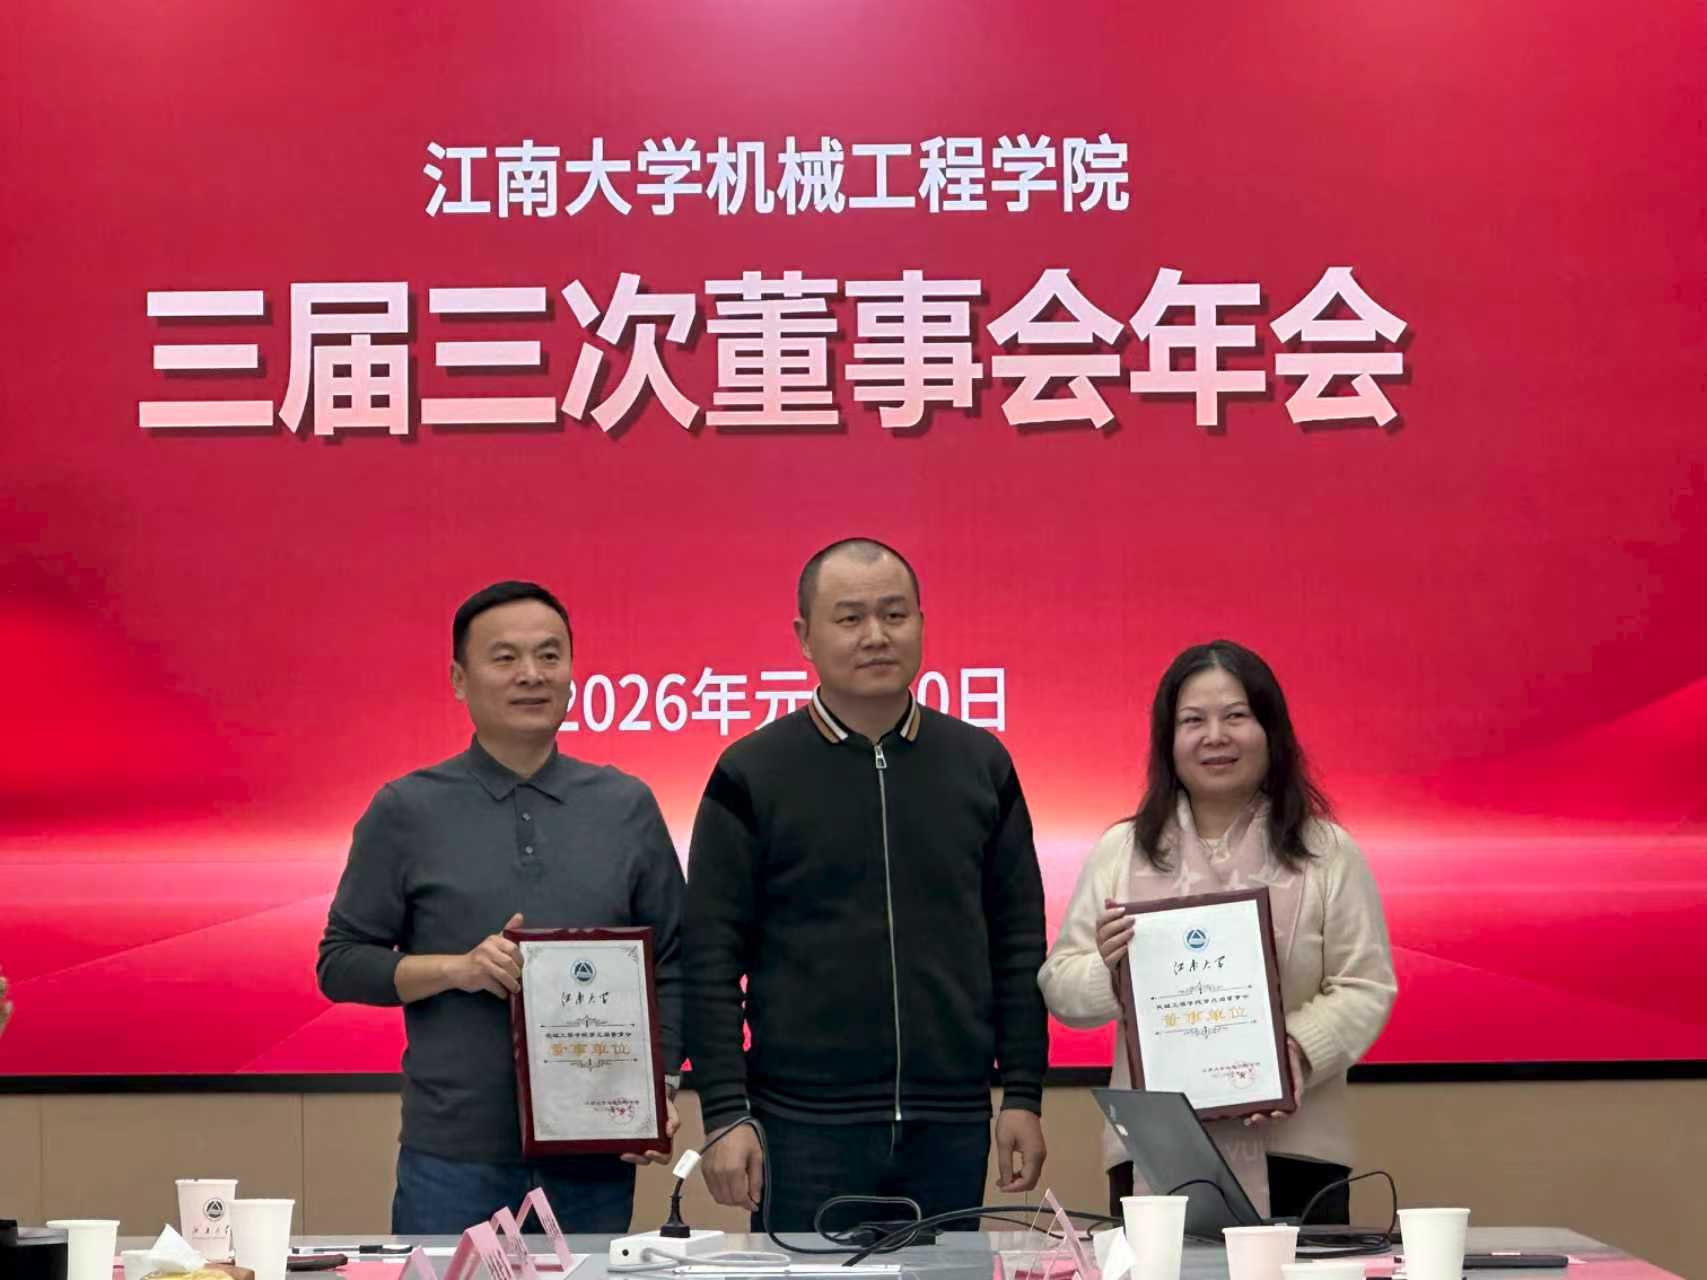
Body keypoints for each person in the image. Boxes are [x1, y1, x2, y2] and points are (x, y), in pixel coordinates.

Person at [684, 537, 1049, 1233]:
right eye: (850, 618)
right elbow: (709, 957)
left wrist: (1024, 1094)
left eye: (894, 614)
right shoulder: (751, 773)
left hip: (950, 1122)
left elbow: (1018, 941)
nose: (876, 635)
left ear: (921, 623)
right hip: (802, 1123)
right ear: (805, 637)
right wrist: (725, 1111)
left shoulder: (980, 764)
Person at [317, 580, 685, 1234]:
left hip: (594, 1155)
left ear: (571, 672)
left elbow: (675, 963)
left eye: (549, 655)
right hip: (453, 1157)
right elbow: (340, 963)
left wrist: (653, 1091)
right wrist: (455, 969)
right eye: (505, 657)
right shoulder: (406, 809)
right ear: (459, 679)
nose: (531, 675)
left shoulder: (625, 805)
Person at [1038, 640, 1396, 1221]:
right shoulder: (1120, 852)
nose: (1215, 736)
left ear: (1270, 731)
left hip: (1296, 1153)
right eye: (1192, 721)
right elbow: (1061, 985)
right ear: (1168, 740)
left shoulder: (1327, 852)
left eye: (1235, 716)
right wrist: (1115, 974)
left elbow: (1366, 985)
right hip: (1157, 1152)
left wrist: (1293, 1054)